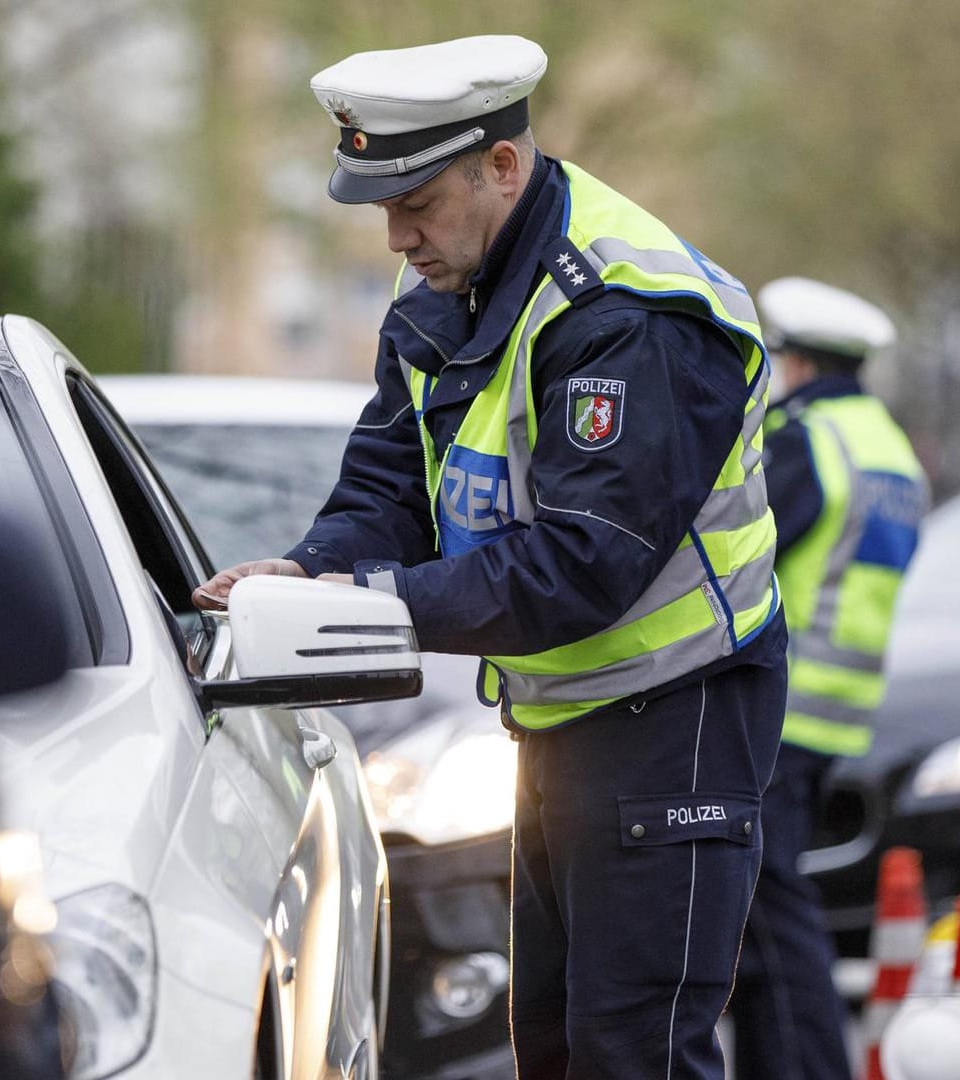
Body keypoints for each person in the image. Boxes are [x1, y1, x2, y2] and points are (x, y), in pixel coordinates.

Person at [193, 34, 786, 1080]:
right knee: (553, 1049)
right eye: (385, 209)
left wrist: (369, 608)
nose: (395, 238)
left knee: (633, 1053)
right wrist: (309, 571)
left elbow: (581, 567)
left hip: (675, 714)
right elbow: (387, 492)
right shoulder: (443, 289)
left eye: (415, 204)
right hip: (560, 720)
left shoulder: (627, 314)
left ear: (501, 168)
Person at [729, 277, 930, 1080]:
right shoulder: (889, 447)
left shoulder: (807, 440)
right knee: (764, 909)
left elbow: (737, 551)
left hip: (780, 707)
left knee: (771, 912)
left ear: (799, 362)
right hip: (838, 711)